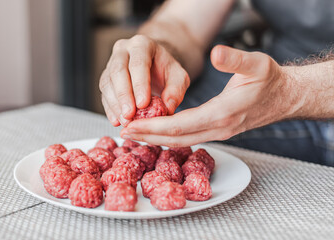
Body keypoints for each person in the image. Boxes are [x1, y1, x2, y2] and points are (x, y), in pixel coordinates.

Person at [99, 0, 334, 166]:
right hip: (282, 71)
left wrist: (289, 91)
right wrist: (158, 48)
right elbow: (183, 25)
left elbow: (291, 90)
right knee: (174, 107)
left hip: (306, 86)